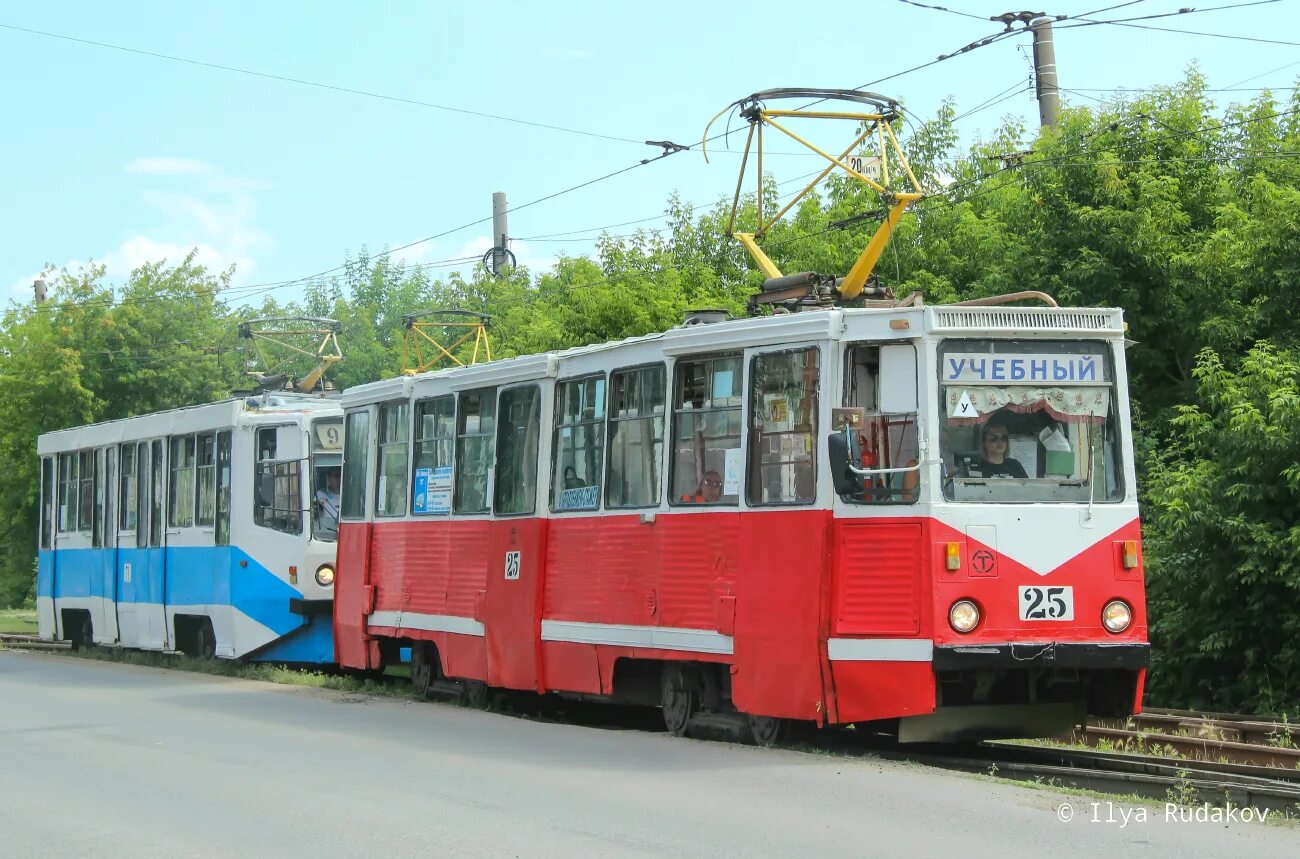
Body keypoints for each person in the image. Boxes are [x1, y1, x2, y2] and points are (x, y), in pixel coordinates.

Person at [315, 468, 340, 536]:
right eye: (336, 476)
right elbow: (314, 516)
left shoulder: (348, 496)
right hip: (324, 533)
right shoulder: (320, 494)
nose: (339, 478)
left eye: (340, 475)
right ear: (329, 478)